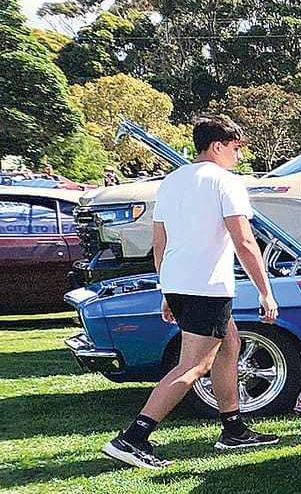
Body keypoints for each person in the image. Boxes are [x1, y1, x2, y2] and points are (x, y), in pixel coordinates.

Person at [102, 117, 280, 470]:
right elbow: (244, 240)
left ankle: (233, 429)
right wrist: (265, 291)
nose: (239, 155)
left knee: (230, 345)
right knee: (194, 366)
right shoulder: (226, 182)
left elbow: (159, 244)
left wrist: (167, 291)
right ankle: (132, 438)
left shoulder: (171, 181)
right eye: (235, 148)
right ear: (217, 146)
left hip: (182, 285)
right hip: (207, 288)